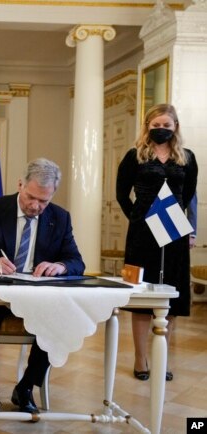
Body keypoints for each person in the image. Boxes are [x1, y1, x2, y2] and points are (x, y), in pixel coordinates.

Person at [0, 158, 85, 414]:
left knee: (60, 321)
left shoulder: (60, 218)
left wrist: (60, 266)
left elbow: (76, 262)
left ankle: (26, 387)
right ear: (20, 185)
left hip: (36, 298)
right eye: (31, 197)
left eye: (43, 201)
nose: (36, 206)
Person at [116, 103, 198, 382]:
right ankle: (141, 359)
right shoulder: (133, 156)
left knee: (168, 295)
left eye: (167, 125)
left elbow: (187, 195)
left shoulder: (187, 157)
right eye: (156, 125)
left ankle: (161, 358)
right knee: (141, 295)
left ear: (175, 127)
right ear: (147, 126)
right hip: (141, 233)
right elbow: (121, 194)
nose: (161, 129)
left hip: (173, 231)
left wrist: (173, 218)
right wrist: (137, 218)